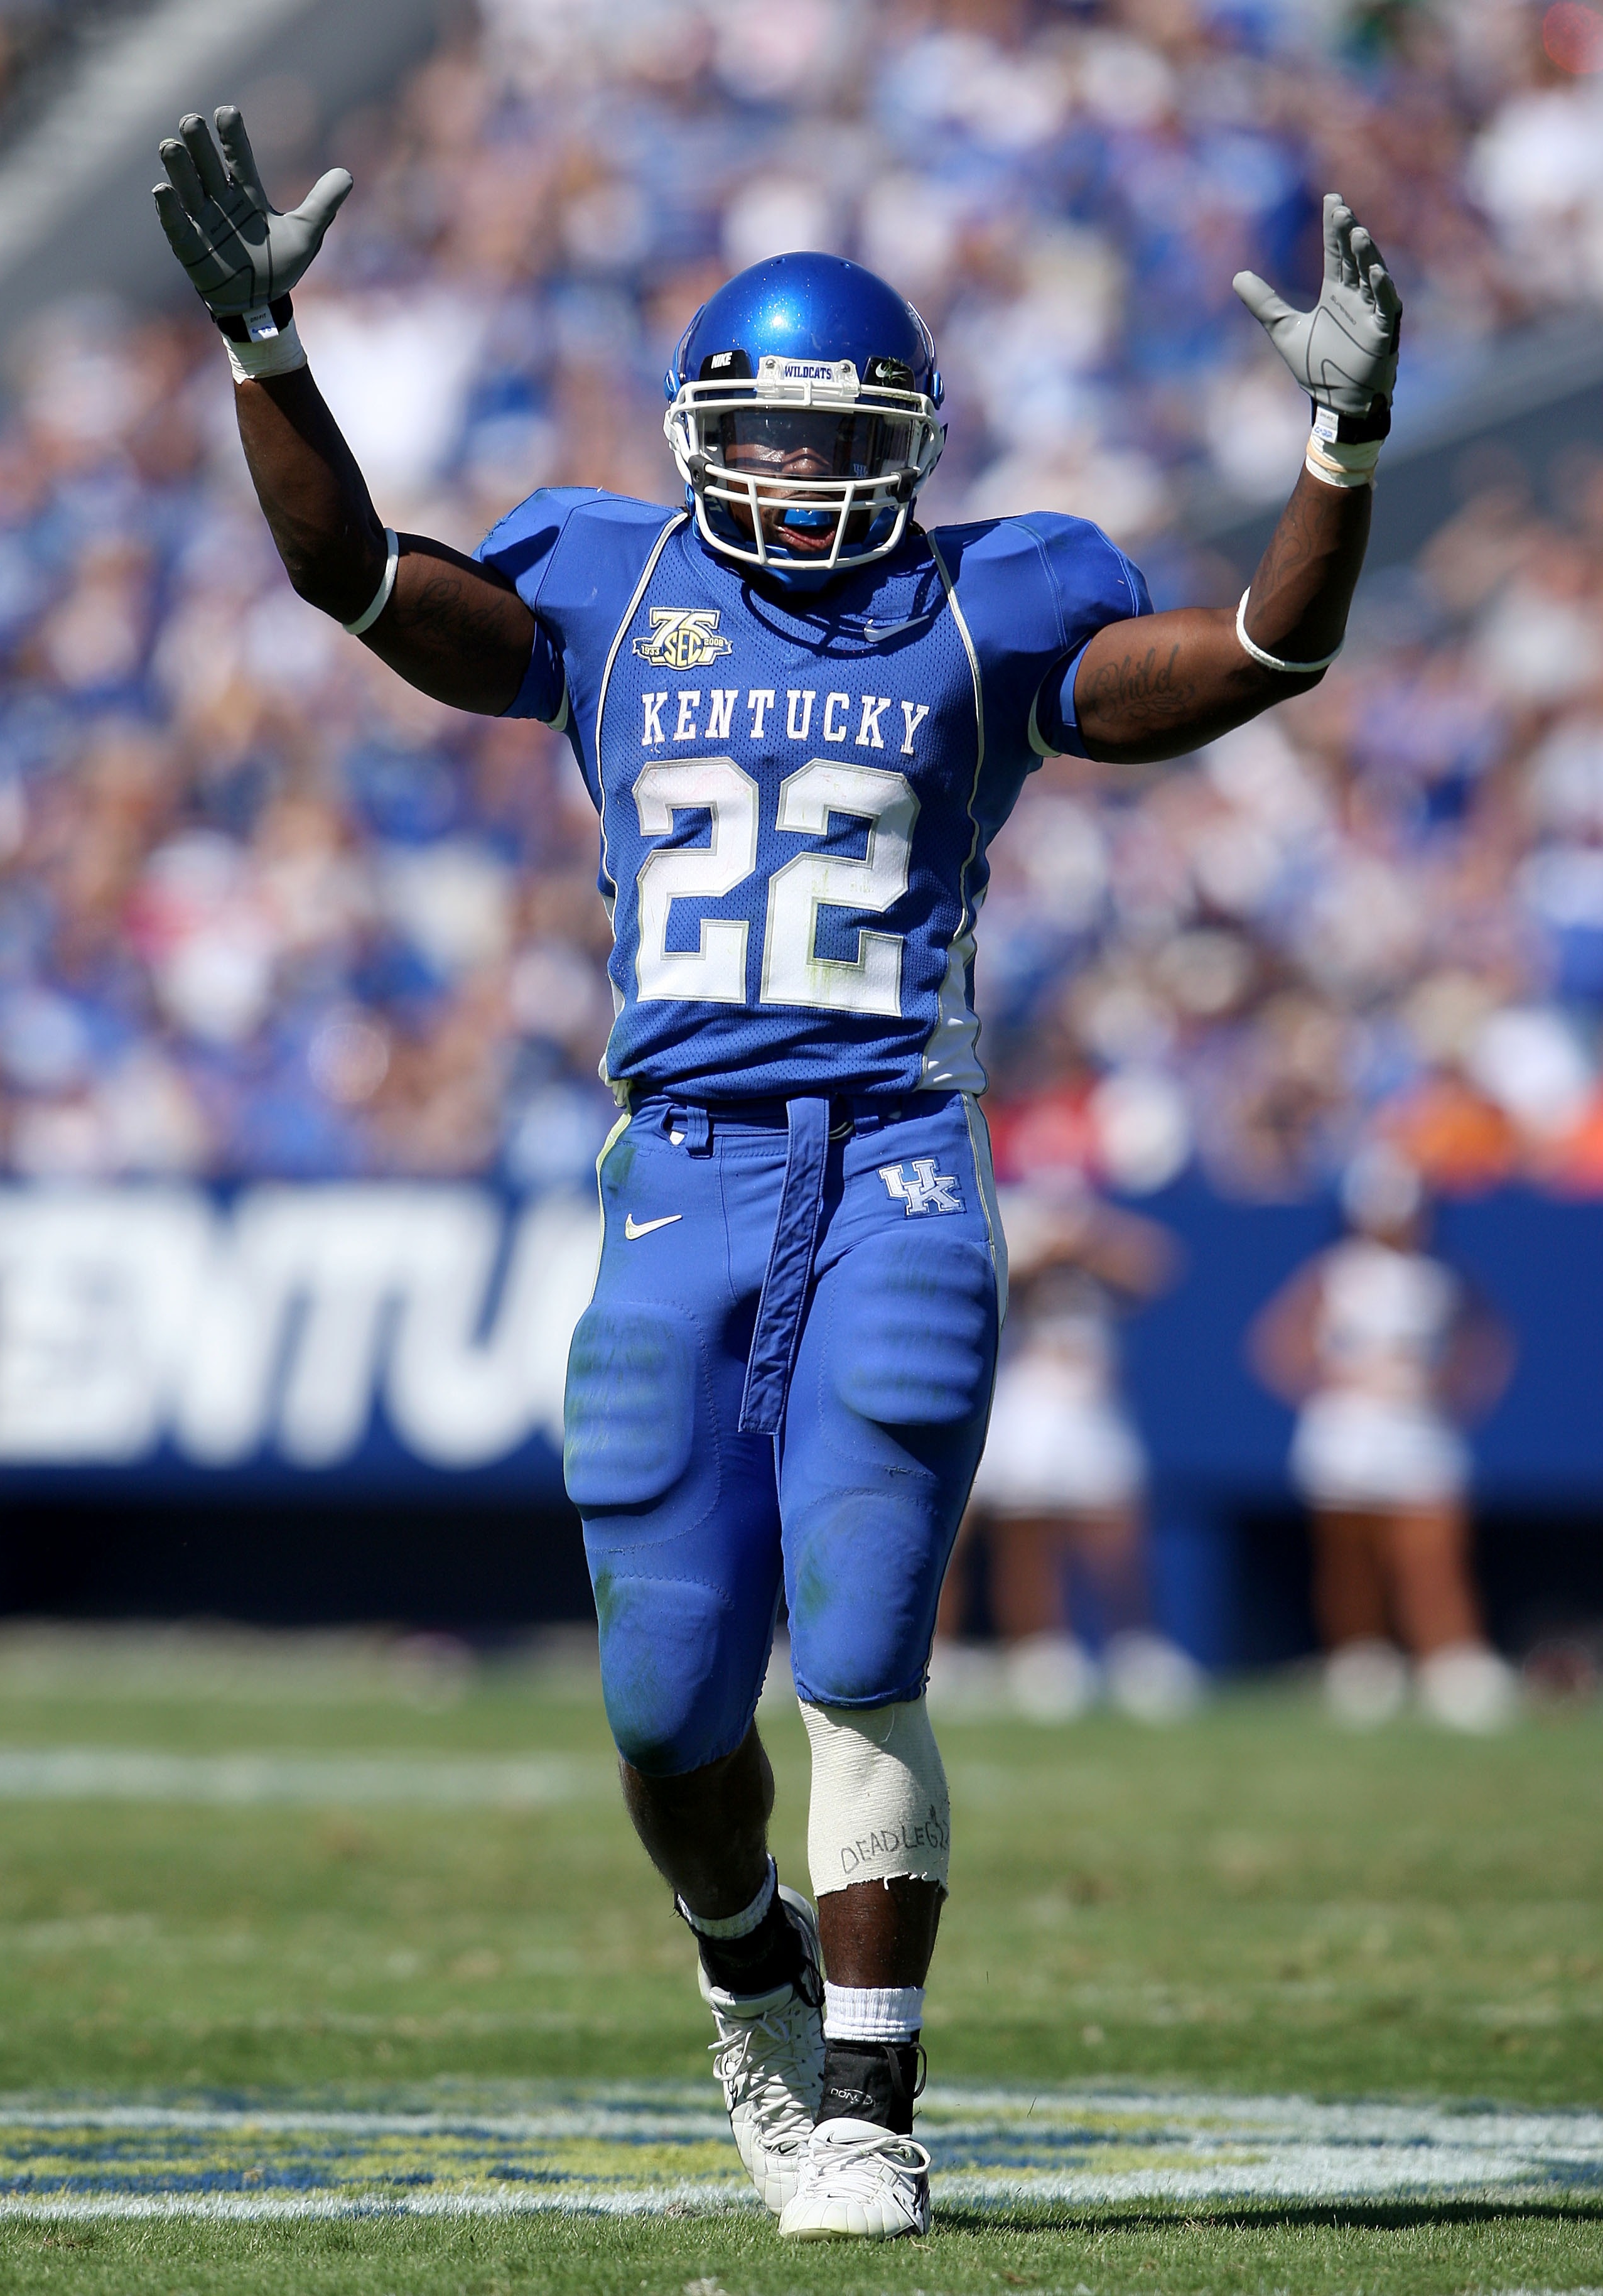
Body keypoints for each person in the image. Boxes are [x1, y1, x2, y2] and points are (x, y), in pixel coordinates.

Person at [153, 105, 1402, 2239]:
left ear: (911, 443)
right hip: (684, 1173)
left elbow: (1257, 660)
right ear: (697, 432)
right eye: (777, 436)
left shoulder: (993, 603)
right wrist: (269, 346)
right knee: (662, 1701)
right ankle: (747, 1957)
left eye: (847, 442)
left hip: (902, 1160)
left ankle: (866, 2110)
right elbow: (354, 577)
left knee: (859, 1639)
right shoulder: (610, 583)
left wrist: (1341, 455)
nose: (809, 476)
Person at [1249, 1145, 1516, 1731]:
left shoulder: (1442, 1278)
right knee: (1351, 1557)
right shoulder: (1335, 1273)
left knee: (1433, 1551)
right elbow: (1279, 1344)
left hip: (1423, 1434)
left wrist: (1445, 1388)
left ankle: (1451, 1662)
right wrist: (1341, 1380)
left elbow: (1484, 1346)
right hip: (1348, 1434)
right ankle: (1361, 1662)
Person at [936, 1178, 1194, 1722]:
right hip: (1026, 1401)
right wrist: (1038, 1261)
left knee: (1115, 1531)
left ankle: (1135, 1649)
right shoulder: (1001, 1224)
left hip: (1092, 1407)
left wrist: (1084, 1247)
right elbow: (981, 1289)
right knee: (1024, 1533)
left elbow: (1159, 1265)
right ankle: (1038, 1651)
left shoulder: (1095, 1239)